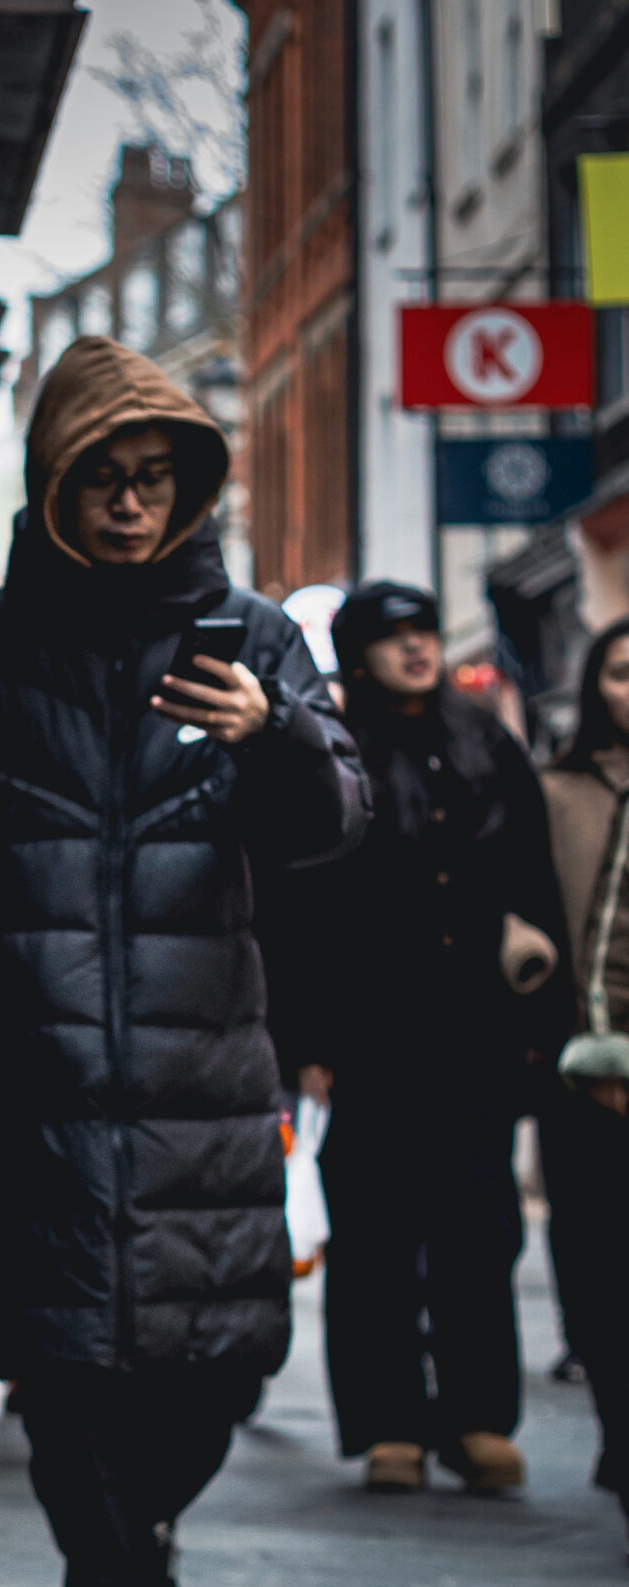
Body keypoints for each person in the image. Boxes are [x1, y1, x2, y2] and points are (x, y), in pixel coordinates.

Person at [0, 336, 367, 1587]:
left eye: (152, 478)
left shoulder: (255, 642)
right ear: (53, 486)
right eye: (102, 478)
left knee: (221, 1355)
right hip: (38, 1067)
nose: (130, 504)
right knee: (59, 1353)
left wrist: (273, 734)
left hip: (203, 1062)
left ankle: (137, 1532)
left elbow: (335, 823)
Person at [291, 582, 568, 1495]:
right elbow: (301, 901)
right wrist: (308, 1039)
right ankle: (388, 1424)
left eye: (425, 631)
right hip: (369, 1030)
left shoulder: (483, 737)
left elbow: (534, 876)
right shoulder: (334, 745)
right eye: (393, 635)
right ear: (358, 652)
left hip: (476, 1026)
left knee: (478, 1228)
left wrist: (540, 1018)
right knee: (374, 1232)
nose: (416, 648)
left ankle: (478, 1417)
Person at [541, 616, 629, 1548]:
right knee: (597, 1264)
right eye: (622, 673)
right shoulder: (555, 791)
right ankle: (617, 1425)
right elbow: (520, 907)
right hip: (576, 1065)